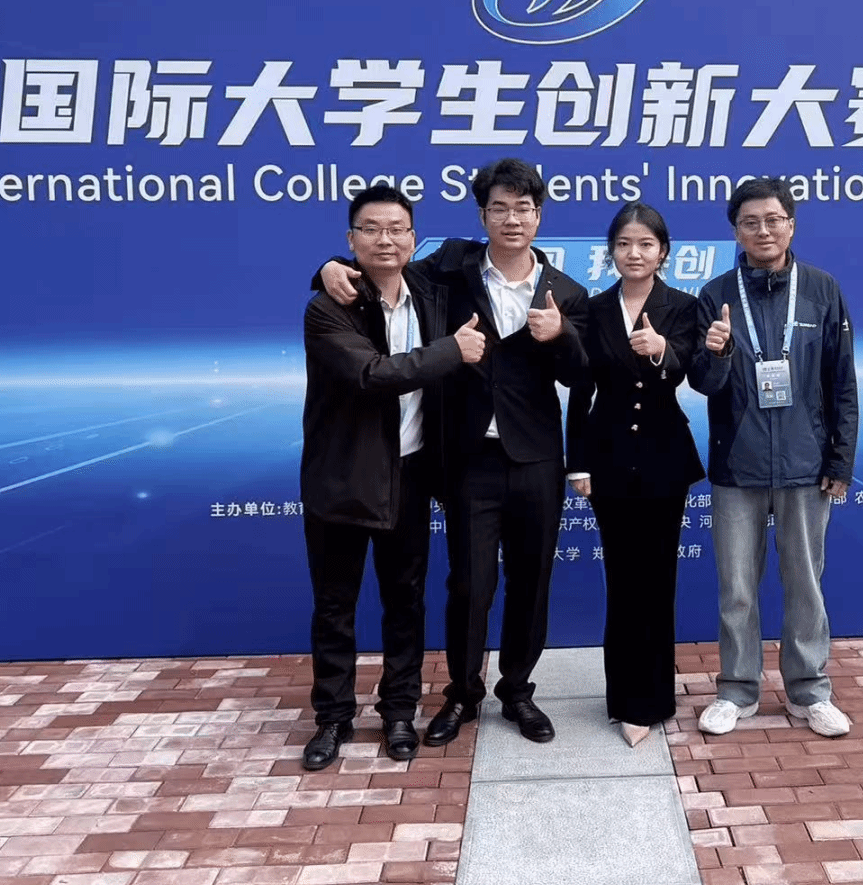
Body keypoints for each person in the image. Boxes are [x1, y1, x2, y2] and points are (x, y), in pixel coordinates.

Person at [318, 158, 588, 746]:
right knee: (468, 585)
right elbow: (382, 268)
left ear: (539, 216)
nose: (512, 219)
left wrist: (562, 334)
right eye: (499, 208)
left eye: (523, 209)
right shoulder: (448, 270)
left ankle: (517, 691)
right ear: (482, 215)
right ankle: (463, 693)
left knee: (531, 582)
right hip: (468, 460)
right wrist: (328, 268)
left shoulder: (567, 292)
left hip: (538, 459)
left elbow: (583, 372)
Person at [298, 185, 487, 770]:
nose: (385, 240)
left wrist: (324, 263)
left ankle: (399, 710)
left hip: (409, 476)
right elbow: (372, 375)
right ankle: (333, 717)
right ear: (351, 239)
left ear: (412, 238)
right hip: (342, 479)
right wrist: (453, 350)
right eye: (371, 229)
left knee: (405, 601)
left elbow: (486, 249)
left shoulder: (428, 290)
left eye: (397, 229)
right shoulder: (329, 307)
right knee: (335, 606)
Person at [689, 177, 860, 738]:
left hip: (806, 465)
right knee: (737, 589)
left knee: (805, 584)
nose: (762, 230)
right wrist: (715, 353)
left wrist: (840, 461)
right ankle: (737, 690)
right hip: (736, 466)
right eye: (750, 222)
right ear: (735, 231)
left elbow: (842, 383)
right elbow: (703, 383)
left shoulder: (821, 289)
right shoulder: (715, 293)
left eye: (773, 220)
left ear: (791, 224)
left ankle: (809, 691)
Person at [565, 203, 707, 747]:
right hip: (607, 459)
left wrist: (663, 351)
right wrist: (577, 462)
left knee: (657, 580)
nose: (634, 253)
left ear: (663, 251)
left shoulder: (683, 306)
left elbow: (692, 367)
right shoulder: (594, 308)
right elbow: (580, 389)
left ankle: (653, 700)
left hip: (664, 459)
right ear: (611, 252)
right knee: (623, 579)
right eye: (624, 244)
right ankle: (624, 700)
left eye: (646, 244)